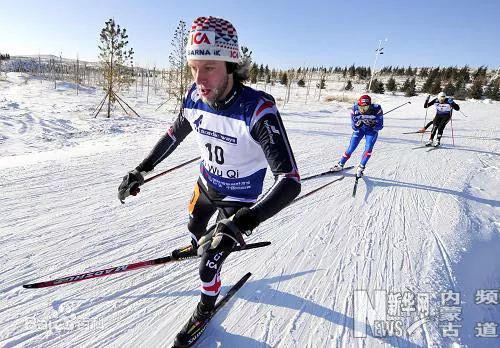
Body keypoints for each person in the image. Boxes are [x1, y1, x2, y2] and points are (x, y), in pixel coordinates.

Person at [118, 16, 301, 347]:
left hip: (238, 204)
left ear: (231, 64)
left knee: (208, 268)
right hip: (205, 187)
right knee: (193, 225)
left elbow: (290, 180)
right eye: (193, 67)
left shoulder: (257, 110)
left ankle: (204, 309)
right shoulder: (194, 95)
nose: (199, 78)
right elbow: (175, 132)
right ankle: (196, 241)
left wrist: (244, 221)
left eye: (209, 67)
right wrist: (141, 169)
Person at [331, 95, 383, 178]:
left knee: (368, 148)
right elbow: (353, 127)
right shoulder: (354, 109)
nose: (362, 110)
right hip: (360, 130)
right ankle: (340, 164)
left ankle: (361, 167)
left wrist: (373, 124)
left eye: (365, 108)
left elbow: (380, 126)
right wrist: (357, 124)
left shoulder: (377, 109)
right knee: (351, 147)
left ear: (370, 105)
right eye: (361, 107)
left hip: (371, 131)